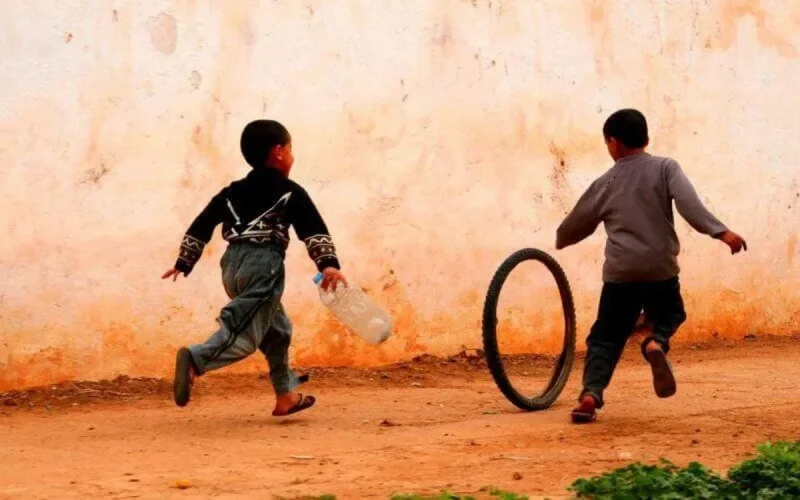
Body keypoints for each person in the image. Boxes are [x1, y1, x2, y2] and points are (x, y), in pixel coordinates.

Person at [555, 109, 747, 423]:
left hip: (621, 272)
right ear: (646, 138)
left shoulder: (606, 181)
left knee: (606, 336)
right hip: (660, 267)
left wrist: (560, 241)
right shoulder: (665, 168)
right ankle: (656, 341)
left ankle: (590, 394)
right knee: (671, 313)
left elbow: (578, 221)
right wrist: (721, 232)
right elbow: (689, 203)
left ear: (613, 143)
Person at [162, 119, 347, 417]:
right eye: (290, 149)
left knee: (277, 330)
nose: (292, 156)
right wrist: (328, 265)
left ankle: (285, 394)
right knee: (244, 335)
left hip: (232, 267)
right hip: (265, 265)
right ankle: (197, 359)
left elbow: (202, 224)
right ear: (277, 152)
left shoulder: (231, 192)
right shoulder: (290, 192)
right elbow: (313, 230)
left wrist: (184, 262)